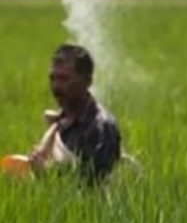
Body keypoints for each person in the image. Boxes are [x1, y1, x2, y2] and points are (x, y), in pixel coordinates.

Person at [28, 44, 121, 184]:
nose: (56, 86)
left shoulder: (101, 127)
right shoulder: (59, 121)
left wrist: (47, 173)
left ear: (87, 82)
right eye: (53, 78)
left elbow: (96, 183)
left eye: (64, 79)